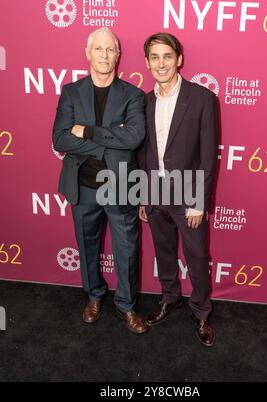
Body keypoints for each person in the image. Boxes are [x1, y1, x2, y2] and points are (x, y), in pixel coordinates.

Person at [52, 28, 147, 334]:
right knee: (87, 245)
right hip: (82, 186)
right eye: (99, 49)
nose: (105, 55)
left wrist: (88, 131)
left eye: (110, 50)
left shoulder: (133, 94)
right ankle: (94, 296)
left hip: (120, 185)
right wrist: (111, 138)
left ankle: (127, 305)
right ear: (88, 53)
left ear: (118, 56)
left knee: (127, 249)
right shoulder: (71, 91)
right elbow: (60, 138)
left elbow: (133, 138)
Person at [139, 33, 219, 346]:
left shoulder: (202, 98)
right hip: (154, 193)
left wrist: (199, 202)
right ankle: (169, 296)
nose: (161, 63)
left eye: (167, 56)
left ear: (179, 59)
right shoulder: (143, 102)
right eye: (155, 57)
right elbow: (143, 154)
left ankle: (200, 311)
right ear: (147, 63)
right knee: (164, 251)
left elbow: (208, 154)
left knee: (197, 255)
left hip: (188, 196)